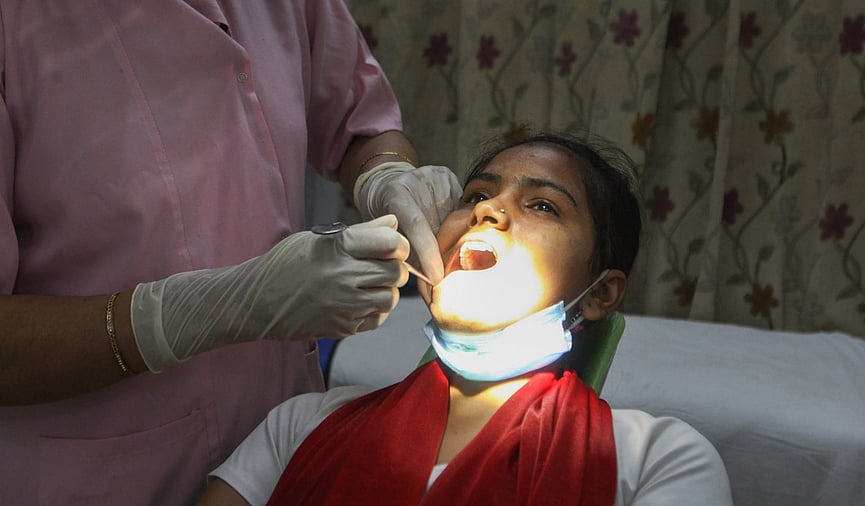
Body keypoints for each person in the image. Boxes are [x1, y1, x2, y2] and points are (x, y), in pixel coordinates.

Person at [0, 2, 461, 504]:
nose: (492, 215)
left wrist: (386, 173)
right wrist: (182, 317)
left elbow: (362, 124)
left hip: (275, 435)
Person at [200, 132, 733, 505]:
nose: (488, 210)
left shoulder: (657, 460)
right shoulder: (301, 425)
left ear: (601, 294)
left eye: (543, 205)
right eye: (477, 194)